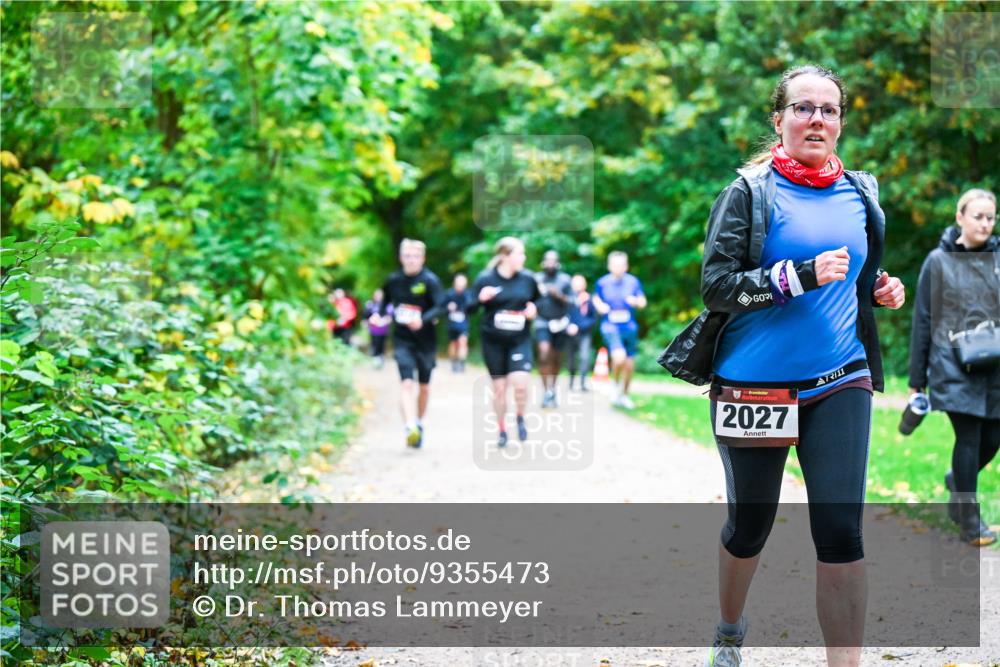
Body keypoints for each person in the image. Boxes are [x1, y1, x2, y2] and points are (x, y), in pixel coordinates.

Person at [663, 65, 905, 667]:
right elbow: (717, 288)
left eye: (828, 109)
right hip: (756, 386)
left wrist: (877, 287)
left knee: (842, 532)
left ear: (841, 121)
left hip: (839, 377)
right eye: (803, 108)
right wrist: (795, 276)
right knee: (751, 526)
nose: (816, 119)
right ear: (780, 119)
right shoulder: (749, 192)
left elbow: (853, 271)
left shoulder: (862, 192)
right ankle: (728, 628)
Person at [908, 188, 998, 546]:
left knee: (993, 439)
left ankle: (957, 479)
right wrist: (917, 381)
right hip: (952, 365)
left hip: (995, 364)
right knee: (969, 436)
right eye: (978, 216)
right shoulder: (938, 261)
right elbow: (923, 320)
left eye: (991, 217)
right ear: (960, 217)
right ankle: (970, 520)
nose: (985, 224)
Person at [372, 239, 446, 449]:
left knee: (423, 387)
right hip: (402, 339)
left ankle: (419, 423)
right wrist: (379, 317)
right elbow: (383, 304)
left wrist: (422, 319)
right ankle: (409, 425)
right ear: (401, 257)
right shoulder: (393, 280)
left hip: (426, 341)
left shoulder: (430, 281)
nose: (411, 260)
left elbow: (441, 306)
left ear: (422, 258)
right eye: (407, 256)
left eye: (415, 256)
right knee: (406, 383)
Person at [467, 237, 540, 448]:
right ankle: (501, 429)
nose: (524, 257)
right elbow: (469, 308)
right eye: (520, 253)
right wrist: (480, 299)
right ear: (505, 256)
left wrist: (534, 310)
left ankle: (519, 417)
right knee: (499, 389)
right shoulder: (485, 278)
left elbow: (539, 301)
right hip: (493, 341)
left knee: (520, 384)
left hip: (520, 339)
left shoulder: (528, 279)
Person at [592, 251, 647, 409]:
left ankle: (624, 395)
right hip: (611, 325)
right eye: (616, 265)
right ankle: (615, 385)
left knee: (629, 365)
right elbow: (595, 298)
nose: (619, 268)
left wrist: (636, 301)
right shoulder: (602, 282)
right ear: (610, 266)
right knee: (618, 357)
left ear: (626, 266)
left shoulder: (633, 281)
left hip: (629, 327)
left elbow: (643, 301)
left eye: (622, 265)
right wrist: (600, 306)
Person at [533, 250, 574, 408]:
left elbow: (573, 301)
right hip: (542, 321)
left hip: (560, 323)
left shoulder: (565, 280)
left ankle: (552, 389)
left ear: (558, 263)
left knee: (556, 358)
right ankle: (546, 391)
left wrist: (559, 296)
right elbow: (528, 298)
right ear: (543, 263)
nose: (550, 264)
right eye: (547, 261)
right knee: (544, 354)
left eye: (553, 261)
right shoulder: (536, 279)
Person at [566, 274, 597, 392]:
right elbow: (563, 314)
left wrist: (580, 327)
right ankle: (571, 382)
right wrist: (568, 326)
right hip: (570, 334)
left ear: (584, 285)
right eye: (575, 283)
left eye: (580, 283)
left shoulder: (589, 299)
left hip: (585, 333)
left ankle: (583, 383)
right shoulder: (567, 298)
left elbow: (593, 318)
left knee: (584, 357)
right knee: (571, 360)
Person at [445, 274, 471, 373]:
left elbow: (471, 307)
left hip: (463, 323)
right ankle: (453, 362)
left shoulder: (468, 294)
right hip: (452, 323)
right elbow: (441, 307)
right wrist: (448, 307)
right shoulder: (449, 294)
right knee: (453, 343)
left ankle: (461, 363)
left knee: (463, 341)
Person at [363, 289, 391, 369]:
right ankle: (375, 358)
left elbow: (390, 316)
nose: (378, 297)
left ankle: (380, 357)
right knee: (374, 344)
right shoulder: (370, 304)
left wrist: (383, 321)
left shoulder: (386, 305)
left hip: (383, 329)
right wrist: (367, 322)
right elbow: (365, 316)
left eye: (379, 295)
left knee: (382, 344)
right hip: (373, 329)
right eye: (376, 295)